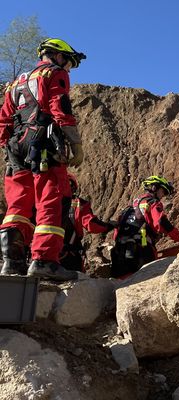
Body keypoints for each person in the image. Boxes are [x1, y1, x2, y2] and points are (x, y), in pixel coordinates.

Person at [0, 38, 86, 281]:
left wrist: (8, 150)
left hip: (16, 147)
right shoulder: (55, 73)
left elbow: (4, 120)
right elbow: (60, 106)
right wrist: (74, 142)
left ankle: (12, 262)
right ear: (59, 56)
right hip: (43, 143)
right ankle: (44, 260)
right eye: (69, 63)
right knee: (52, 199)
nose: (68, 69)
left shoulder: (15, 83)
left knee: (17, 205)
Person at [111, 175, 179, 278]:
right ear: (154, 188)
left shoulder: (127, 209)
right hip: (141, 251)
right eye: (162, 191)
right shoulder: (152, 203)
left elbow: (116, 234)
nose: (162, 195)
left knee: (123, 284)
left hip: (119, 253)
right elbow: (161, 222)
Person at [60, 172, 117, 272]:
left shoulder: (46, 202)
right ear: (73, 187)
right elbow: (91, 225)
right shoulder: (78, 203)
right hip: (69, 253)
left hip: (45, 253)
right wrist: (108, 226)